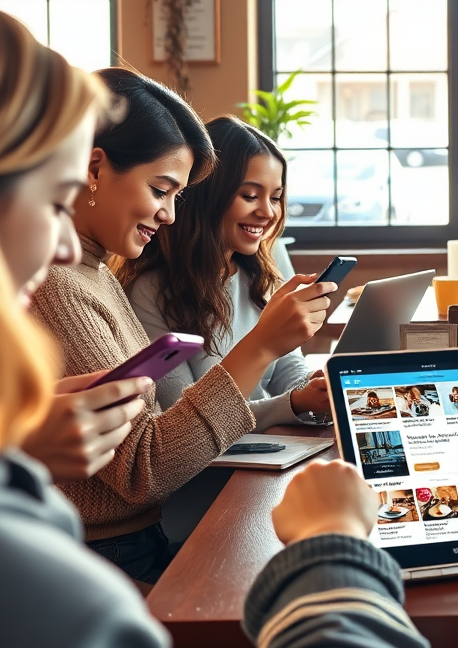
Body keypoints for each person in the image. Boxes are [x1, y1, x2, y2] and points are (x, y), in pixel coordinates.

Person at [0, 0, 447, 648]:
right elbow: (148, 465)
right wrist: (332, 552)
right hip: (139, 549)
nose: (55, 246)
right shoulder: (80, 291)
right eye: (49, 198)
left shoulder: (96, 285)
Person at [29, 68, 335, 584]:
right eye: (160, 189)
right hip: (109, 558)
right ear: (94, 169)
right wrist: (260, 346)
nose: (170, 214)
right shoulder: (64, 286)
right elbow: (146, 470)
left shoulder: (97, 274)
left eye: (178, 196)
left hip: (134, 545)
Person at [123, 115, 328, 428]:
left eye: (275, 197)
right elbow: (182, 421)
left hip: (269, 446)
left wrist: (312, 388)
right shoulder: (150, 292)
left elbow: (288, 372)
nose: (268, 212)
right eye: (249, 196)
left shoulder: (259, 278)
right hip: (215, 465)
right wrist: (293, 404)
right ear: (205, 196)